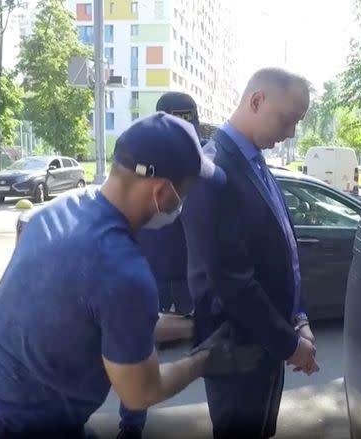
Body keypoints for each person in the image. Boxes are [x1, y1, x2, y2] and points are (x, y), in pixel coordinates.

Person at [0, 113, 262, 438]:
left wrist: (196, 326)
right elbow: (141, 392)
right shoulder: (121, 270)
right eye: (186, 191)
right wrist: (204, 361)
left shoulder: (54, 214)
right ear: (161, 190)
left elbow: (103, 319)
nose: (185, 202)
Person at [180, 67, 320, 438]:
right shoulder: (212, 172)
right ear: (257, 101)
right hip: (236, 352)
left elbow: (284, 252)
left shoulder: (255, 163)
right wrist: (291, 345)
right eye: (288, 119)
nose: (290, 133)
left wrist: (299, 317)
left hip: (264, 347)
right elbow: (233, 283)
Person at [117, 92, 204, 439]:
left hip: (189, 274)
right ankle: (132, 424)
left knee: (199, 339)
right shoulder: (137, 160)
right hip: (149, 272)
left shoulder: (202, 161)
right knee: (141, 348)